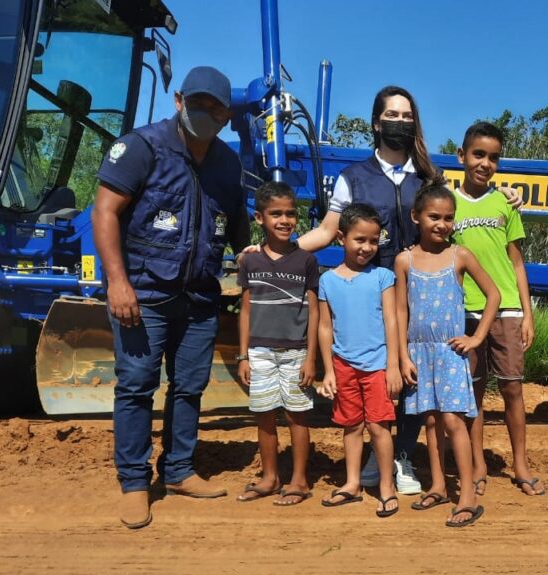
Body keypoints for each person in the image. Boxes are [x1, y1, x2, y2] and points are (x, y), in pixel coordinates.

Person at [295, 86, 521, 495]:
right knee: (376, 378)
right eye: (391, 115)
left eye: (406, 115)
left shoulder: (429, 177)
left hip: (416, 297)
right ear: (376, 122)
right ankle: (370, 457)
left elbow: (461, 210)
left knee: (413, 381)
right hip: (368, 296)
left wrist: (505, 194)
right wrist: (279, 248)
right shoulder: (353, 177)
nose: (399, 121)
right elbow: (328, 231)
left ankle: (400, 456)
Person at [92, 66, 250, 529]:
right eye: (196, 102)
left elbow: (238, 226)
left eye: (214, 107)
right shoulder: (140, 148)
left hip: (200, 297)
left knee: (189, 387)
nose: (204, 112)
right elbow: (105, 211)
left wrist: (258, 267)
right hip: (144, 293)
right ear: (179, 100)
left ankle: (179, 470)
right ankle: (135, 483)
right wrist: (117, 281)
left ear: (226, 114)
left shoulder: (227, 163)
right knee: (137, 385)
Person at [396, 184, 500, 527]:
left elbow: (494, 295)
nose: (442, 224)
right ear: (416, 217)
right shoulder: (404, 260)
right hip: (418, 353)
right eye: (434, 217)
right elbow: (399, 312)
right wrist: (402, 356)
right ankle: (438, 485)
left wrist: (476, 337)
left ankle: (467, 493)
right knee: (430, 420)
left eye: (449, 218)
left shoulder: (461, 255)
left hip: (450, 354)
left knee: (454, 421)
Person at [452, 122, 546, 497]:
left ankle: (520, 464)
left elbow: (517, 263)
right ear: (462, 156)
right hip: (465, 312)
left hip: (506, 308)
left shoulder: (505, 204)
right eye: (478, 154)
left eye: (493, 157)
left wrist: (528, 312)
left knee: (512, 389)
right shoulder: (448, 205)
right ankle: (476, 465)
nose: (485, 163)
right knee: (472, 393)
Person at [316, 203, 402, 518]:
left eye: (373, 240)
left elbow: (392, 321)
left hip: (378, 364)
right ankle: (351, 484)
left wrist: (392, 364)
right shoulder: (328, 281)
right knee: (351, 427)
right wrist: (328, 370)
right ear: (342, 238)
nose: (367, 247)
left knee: (379, 426)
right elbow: (325, 327)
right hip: (343, 366)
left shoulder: (383, 276)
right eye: (360, 239)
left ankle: (386, 488)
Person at [236, 182, 319, 506]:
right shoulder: (250, 262)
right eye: (276, 214)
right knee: (265, 415)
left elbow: (314, 312)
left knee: (297, 416)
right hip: (259, 352)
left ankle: (299, 480)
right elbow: (245, 310)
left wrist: (311, 358)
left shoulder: (306, 262)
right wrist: (243, 355)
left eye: (290, 214)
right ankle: (270, 477)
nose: (284, 220)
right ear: (259, 218)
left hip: (296, 352)